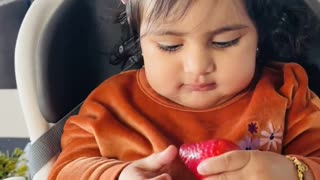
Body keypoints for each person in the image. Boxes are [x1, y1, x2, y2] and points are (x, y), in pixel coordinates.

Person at [48, 0, 320, 179]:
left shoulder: (286, 94)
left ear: (258, 34)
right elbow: (65, 172)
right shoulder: (111, 107)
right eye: (170, 46)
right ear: (139, 40)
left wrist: (292, 171)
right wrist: (118, 175)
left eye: (225, 42)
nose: (197, 67)